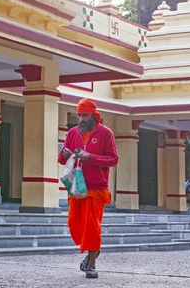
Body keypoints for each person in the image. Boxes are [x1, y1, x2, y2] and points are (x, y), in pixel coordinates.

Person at [58, 98, 118, 279]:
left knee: (91, 227)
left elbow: (113, 159)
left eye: (85, 115)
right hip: (76, 187)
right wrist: (64, 153)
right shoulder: (73, 133)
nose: (81, 119)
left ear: (93, 116)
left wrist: (90, 157)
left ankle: (91, 264)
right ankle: (93, 250)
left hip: (96, 188)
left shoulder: (106, 133)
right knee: (73, 224)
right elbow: (61, 159)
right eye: (79, 115)